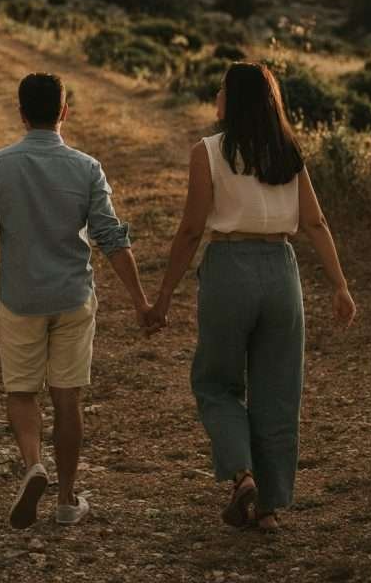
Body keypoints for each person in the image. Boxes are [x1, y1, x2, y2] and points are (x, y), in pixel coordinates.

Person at [147, 62, 356, 532]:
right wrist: (340, 285)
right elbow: (315, 223)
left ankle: (242, 476)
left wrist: (163, 298)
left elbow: (190, 230)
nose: (216, 96)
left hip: (229, 269)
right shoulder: (287, 151)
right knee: (279, 392)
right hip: (282, 273)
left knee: (216, 383)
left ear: (233, 99)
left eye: (220, 89)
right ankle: (269, 508)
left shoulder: (208, 152)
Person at [0, 72, 151, 529]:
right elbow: (110, 237)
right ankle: (67, 501)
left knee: (21, 391)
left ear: (20, 112)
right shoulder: (87, 168)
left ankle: (33, 466)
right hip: (72, 297)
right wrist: (143, 303)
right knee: (69, 399)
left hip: (20, 298)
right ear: (64, 111)